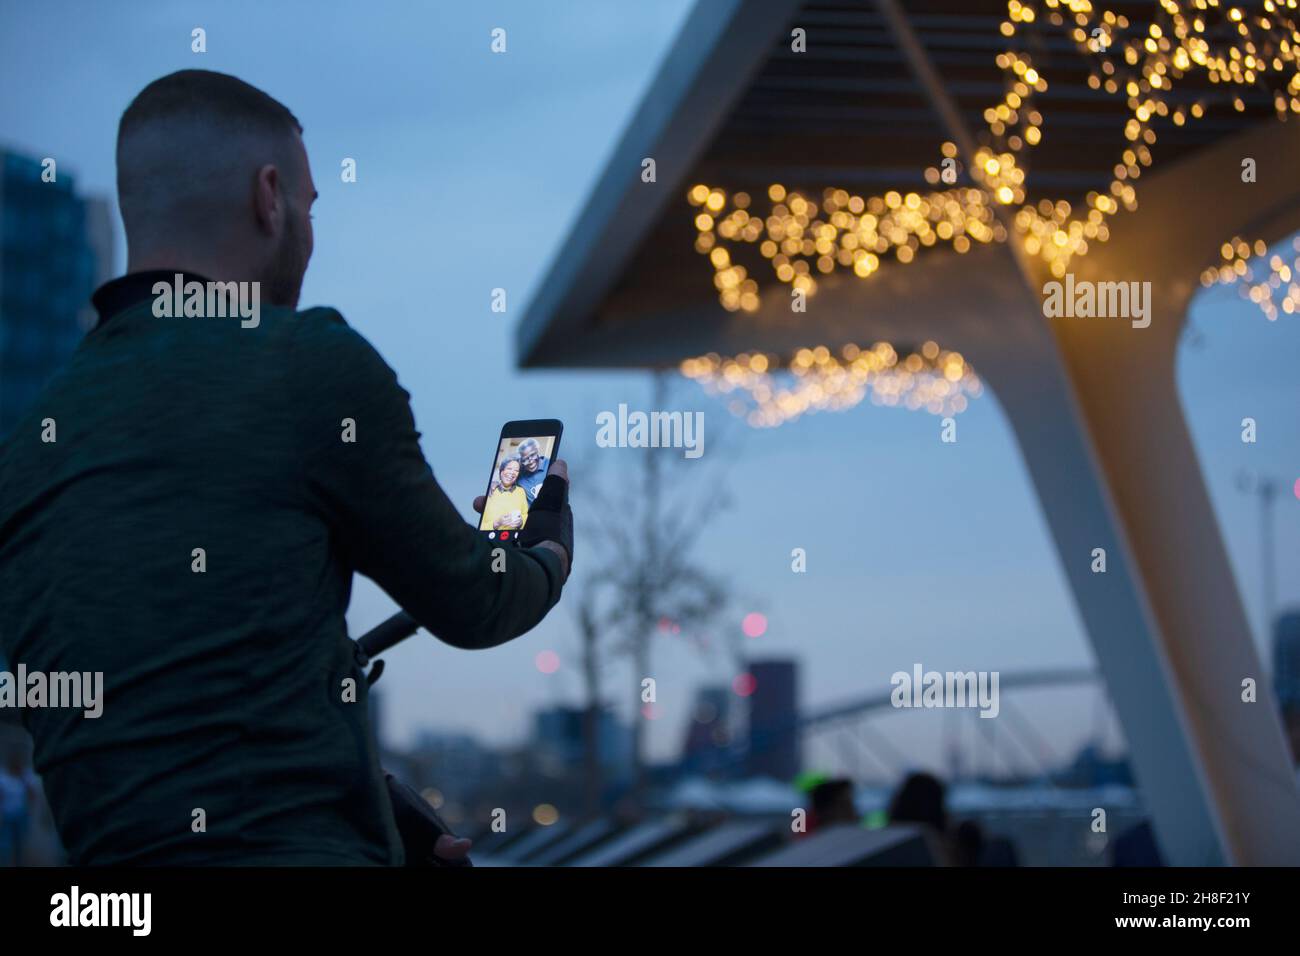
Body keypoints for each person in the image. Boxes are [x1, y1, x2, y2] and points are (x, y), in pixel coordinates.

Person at [0, 70, 574, 866]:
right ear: (269, 197)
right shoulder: (307, 366)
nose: (307, 229)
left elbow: (167, 704)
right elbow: (477, 603)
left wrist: (370, 809)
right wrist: (545, 542)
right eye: (307, 205)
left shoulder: (30, 445)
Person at [481, 457, 529, 531]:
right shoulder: (489, 490)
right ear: (501, 471)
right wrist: (496, 524)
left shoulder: (521, 491)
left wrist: (521, 522)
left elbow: (526, 515)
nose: (512, 473)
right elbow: (478, 525)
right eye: (509, 468)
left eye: (516, 471)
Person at [516, 438, 550, 503]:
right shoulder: (520, 476)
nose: (530, 461)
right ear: (521, 461)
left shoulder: (551, 464)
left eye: (532, 455)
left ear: (537, 451)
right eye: (525, 459)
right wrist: (494, 484)